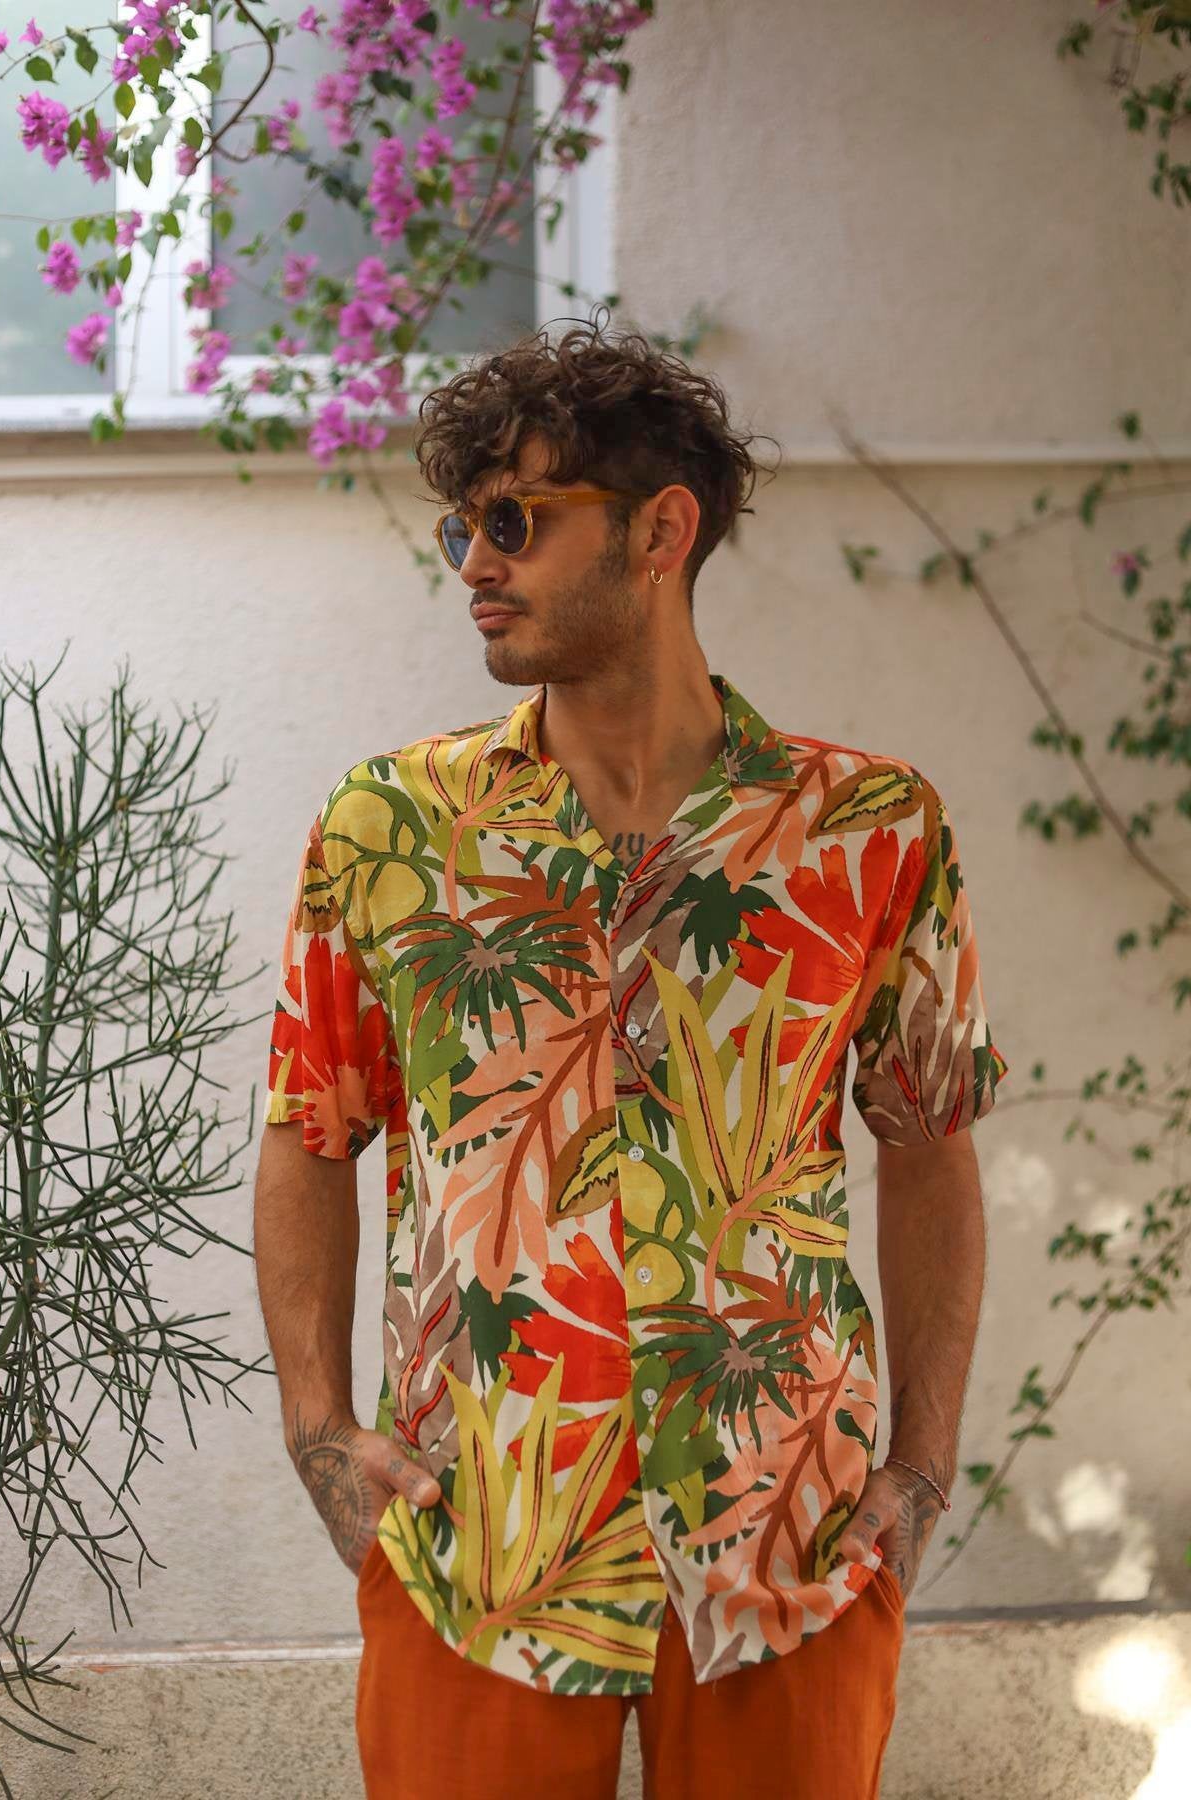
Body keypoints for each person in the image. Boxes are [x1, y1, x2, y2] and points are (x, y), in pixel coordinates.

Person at [253, 315, 1009, 1800]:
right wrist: (319, 1433)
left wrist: (920, 1468)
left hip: (785, 1533)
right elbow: (308, 1130)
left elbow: (930, 1148)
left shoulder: (870, 829)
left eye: (515, 522)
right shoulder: (389, 827)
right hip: (483, 1532)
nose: (474, 563)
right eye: (463, 527)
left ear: (662, 531)